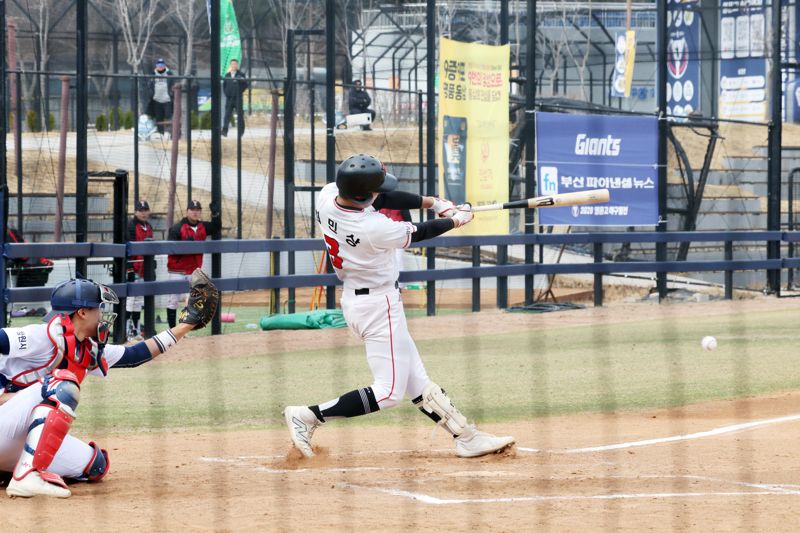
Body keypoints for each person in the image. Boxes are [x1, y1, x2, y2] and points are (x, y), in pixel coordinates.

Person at [283, 154, 514, 459]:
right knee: (389, 392)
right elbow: (420, 232)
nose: (380, 194)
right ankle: (308, 415)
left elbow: (382, 198)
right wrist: (457, 219)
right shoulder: (374, 227)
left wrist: (434, 202)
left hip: (360, 299)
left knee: (416, 380)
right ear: (363, 194)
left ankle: (466, 437)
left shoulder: (328, 198)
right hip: (378, 306)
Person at [0, 273, 217, 498]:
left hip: (13, 437)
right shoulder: (40, 336)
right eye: (98, 308)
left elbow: (135, 354)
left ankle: (10, 470)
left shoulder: (84, 348)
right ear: (82, 312)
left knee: (95, 465)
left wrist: (186, 324)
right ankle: (26, 476)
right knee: (63, 382)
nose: (103, 314)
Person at [166, 200, 220, 328]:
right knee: (172, 300)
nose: (195, 212)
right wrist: (184, 245)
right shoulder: (177, 228)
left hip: (193, 270)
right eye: (192, 210)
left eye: (198, 210)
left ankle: (182, 330)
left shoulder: (202, 226)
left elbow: (216, 227)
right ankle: (172, 330)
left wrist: (216, 214)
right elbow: (170, 249)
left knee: (191, 301)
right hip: (177, 270)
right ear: (187, 211)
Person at [126, 200, 154, 340]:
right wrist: (129, 268)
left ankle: (136, 330)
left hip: (143, 269)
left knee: (138, 301)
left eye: (145, 210)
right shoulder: (130, 225)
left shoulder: (148, 226)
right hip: (134, 268)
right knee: (131, 300)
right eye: (141, 210)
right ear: (135, 212)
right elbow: (127, 249)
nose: (143, 213)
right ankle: (127, 330)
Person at [145, 58, 174, 136]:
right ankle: (160, 133)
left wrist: (171, 94)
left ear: (164, 66)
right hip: (156, 100)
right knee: (159, 117)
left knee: (168, 116)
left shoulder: (170, 74)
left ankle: (169, 133)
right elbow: (149, 86)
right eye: (158, 65)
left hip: (167, 100)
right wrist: (151, 94)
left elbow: (173, 84)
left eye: (162, 65)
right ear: (156, 66)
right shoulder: (153, 74)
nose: (160, 67)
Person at [222, 58, 248, 137]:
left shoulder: (241, 75)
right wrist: (227, 93)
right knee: (227, 115)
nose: (234, 65)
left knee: (240, 115)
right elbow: (224, 86)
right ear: (230, 65)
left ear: (237, 65)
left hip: (238, 98)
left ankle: (241, 131)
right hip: (229, 99)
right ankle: (224, 131)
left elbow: (245, 85)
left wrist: (239, 91)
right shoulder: (227, 75)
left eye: (235, 64)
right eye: (232, 64)